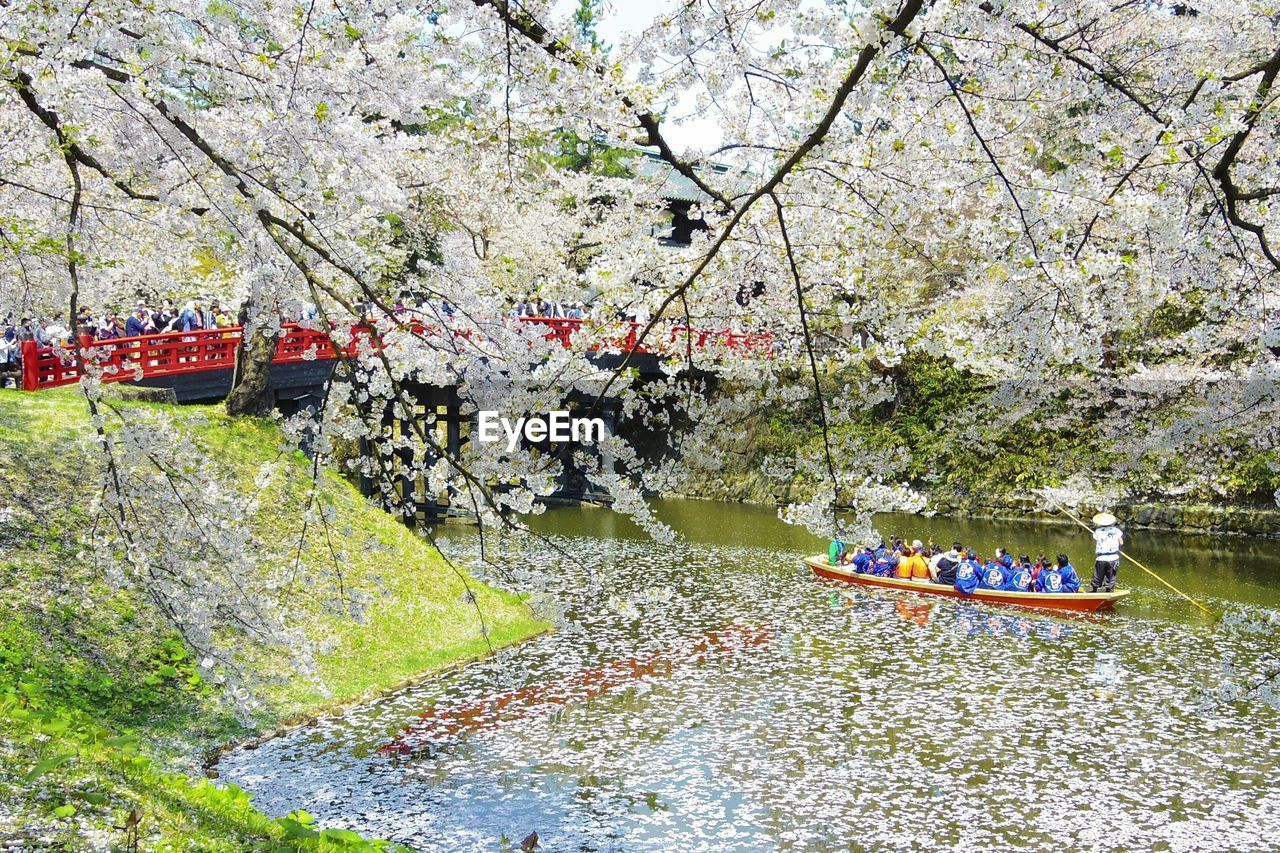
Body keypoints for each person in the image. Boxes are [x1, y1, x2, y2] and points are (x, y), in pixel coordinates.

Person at [1090, 512, 1125, 592]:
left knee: (1098, 574)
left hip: (1101, 558)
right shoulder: (1116, 530)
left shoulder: (1097, 531)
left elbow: (1096, 539)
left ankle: (1094, 589)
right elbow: (1121, 542)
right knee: (1111, 575)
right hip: (1113, 557)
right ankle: (1108, 590)